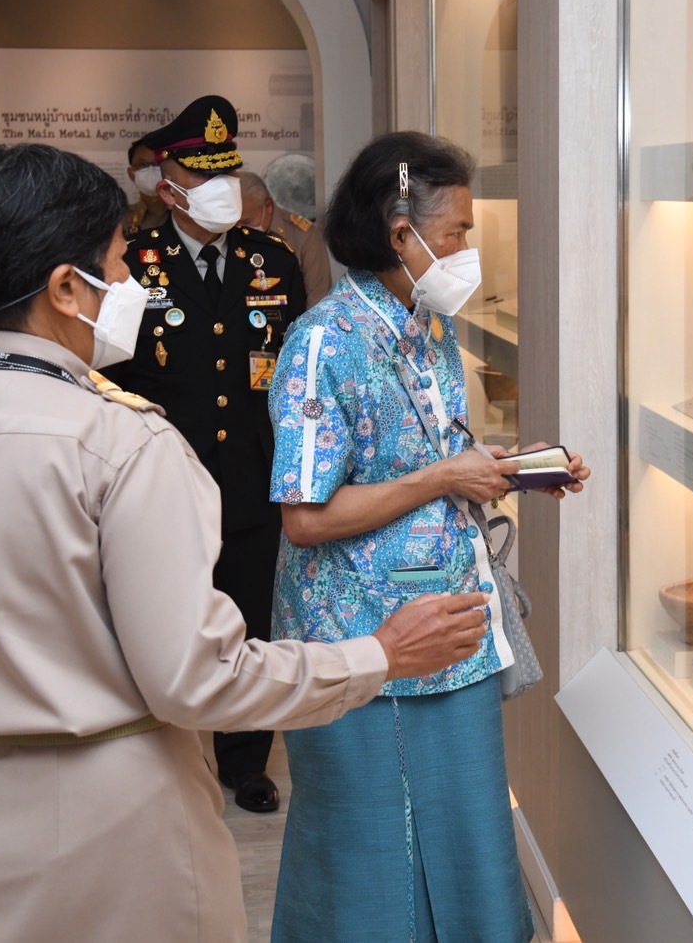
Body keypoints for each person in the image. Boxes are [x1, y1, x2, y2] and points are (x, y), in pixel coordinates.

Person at [0, 142, 489, 940]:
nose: (131, 285)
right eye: (119, 263)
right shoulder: (125, 447)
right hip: (113, 823)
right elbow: (198, 679)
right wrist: (379, 656)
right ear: (66, 289)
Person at [267, 131, 589, 942]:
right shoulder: (324, 342)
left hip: (450, 632)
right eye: (458, 232)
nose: (467, 249)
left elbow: (430, 459)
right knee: (371, 856)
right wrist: (446, 477)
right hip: (366, 644)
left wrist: (510, 470)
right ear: (401, 233)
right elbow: (305, 517)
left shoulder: (429, 329)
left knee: (469, 837)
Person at [105, 95, 306, 814]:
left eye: (228, 173)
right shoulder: (135, 264)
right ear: (168, 188)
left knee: (250, 619)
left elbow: (295, 376)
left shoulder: (272, 260)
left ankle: (245, 760)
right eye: (205, 176)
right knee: (164, 616)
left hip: (252, 476)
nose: (223, 188)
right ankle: (163, 757)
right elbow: (112, 379)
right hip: (165, 476)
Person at [238, 170, 333, 307]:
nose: (239, 229)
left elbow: (319, 300)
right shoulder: (224, 233)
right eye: (234, 222)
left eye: (246, 221)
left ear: (268, 206)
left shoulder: (304, 236)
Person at [123, 136, 168, 236]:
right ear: (131, 174)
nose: (151, 170)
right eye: (143, 165)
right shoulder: (120, 219)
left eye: (158, 164)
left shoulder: (187, 215)